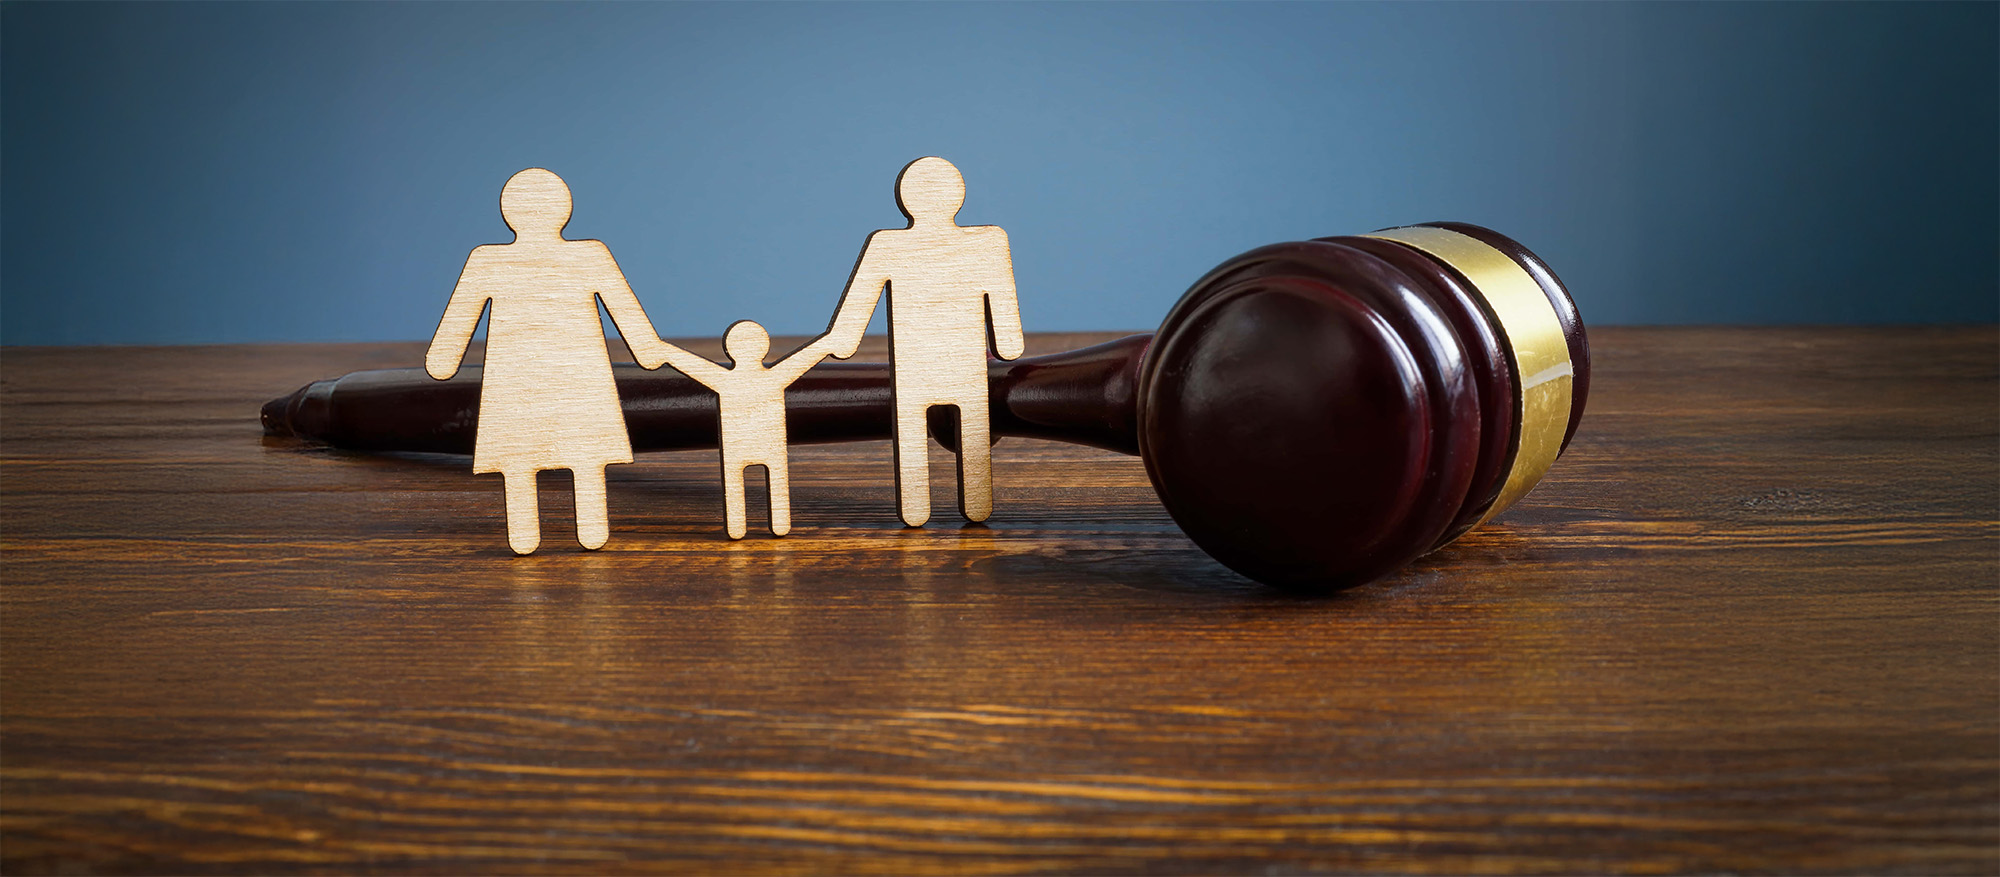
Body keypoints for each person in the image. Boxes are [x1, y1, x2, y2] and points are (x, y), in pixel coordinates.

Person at [425, 168, 670, 555]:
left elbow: (454, 330)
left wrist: (444, 359)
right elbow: (630, 319)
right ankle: (585, 531)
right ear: (564, 209)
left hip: (519, 380)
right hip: (575, 376)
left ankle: (531, 535)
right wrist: (647, 351)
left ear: (508, 212)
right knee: (582, 456)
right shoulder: (589, 255)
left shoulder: (487, 261)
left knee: (523, 461)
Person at [823, 157, 1026, 526]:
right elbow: (1006, 322)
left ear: (905, 198)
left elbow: (855, 312)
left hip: (918, 365)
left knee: (914, 431)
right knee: (971, 425)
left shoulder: (888, 245)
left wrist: (843, 342)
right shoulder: (988, 242)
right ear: (958, 196)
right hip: (962, 361)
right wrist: (1008, 344)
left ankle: (919, 509)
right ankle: (974, 503)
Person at [654, 317, 864, 539]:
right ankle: (768, 524)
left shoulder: (725, 379)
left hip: (749, 444)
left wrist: (661, 352)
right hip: (758, 444)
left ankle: (749, 527)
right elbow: (811, 354)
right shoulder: (773, 375)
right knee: (768, 480)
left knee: (746, 482)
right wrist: (831, 343)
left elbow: (684, 361)